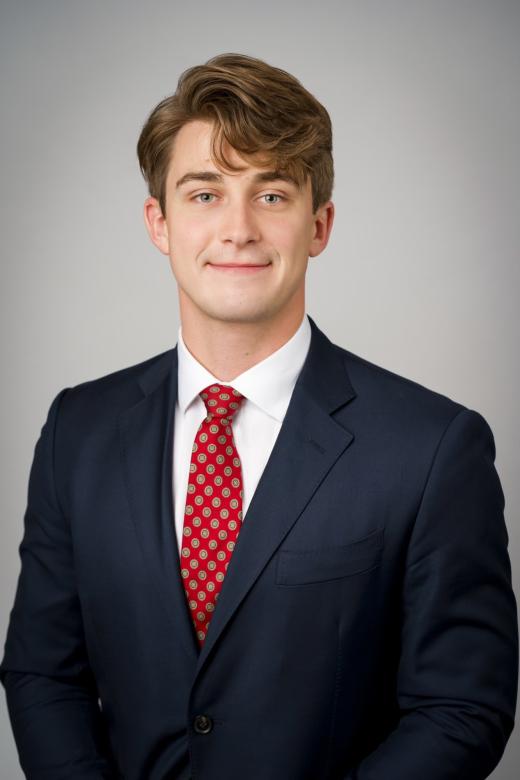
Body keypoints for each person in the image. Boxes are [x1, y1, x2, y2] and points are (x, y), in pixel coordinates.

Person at [0, 52, 517, 780]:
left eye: (271, 195)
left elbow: (461, 706)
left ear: (320, 224)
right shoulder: (76, 432)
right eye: (204, 193)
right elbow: (41, 675)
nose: (237, 228)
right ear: (159, 221)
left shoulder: (433, 448)